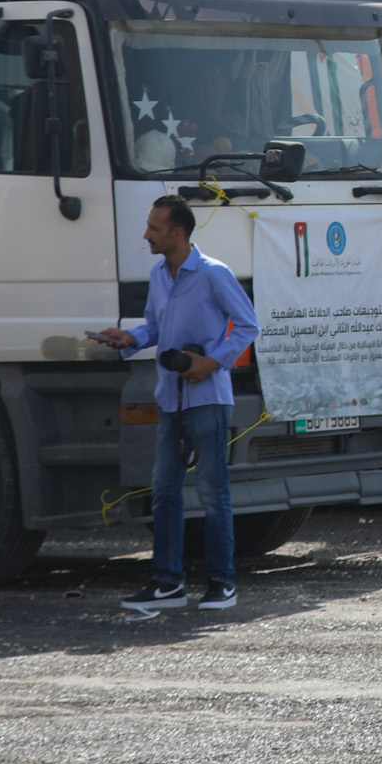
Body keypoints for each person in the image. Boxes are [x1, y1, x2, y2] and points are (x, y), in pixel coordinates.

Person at [91, 197, 259, 611]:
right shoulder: (158, 274)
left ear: (177, 233)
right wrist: (130, 338)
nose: (146, 235)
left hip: (208, 399)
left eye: (154, 228)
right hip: (170, 399)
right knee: (165, 491)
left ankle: (222, 583)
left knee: (212, 492)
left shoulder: (213, 273)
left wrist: (211, 362)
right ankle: (167, 583)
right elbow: (154, 326)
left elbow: (248, 326)